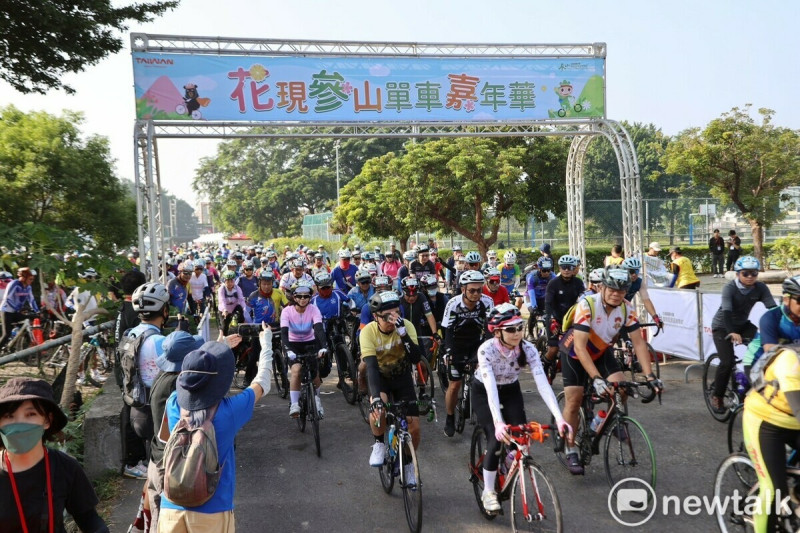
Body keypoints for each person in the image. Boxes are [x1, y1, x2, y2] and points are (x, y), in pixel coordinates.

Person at [158, 333, 271, 532]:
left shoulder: (174, 402)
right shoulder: (230, 411)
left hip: (171, 508)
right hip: (212, 510)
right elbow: (262, 382)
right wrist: (266, 343)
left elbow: (165, 439)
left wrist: (220, 346)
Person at [561, 267, 662, 474]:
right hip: (575, 353)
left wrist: (650, 376)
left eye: (622, 290)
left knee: (621, 388)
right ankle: (570, 448)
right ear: (603, 287)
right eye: (612, 289)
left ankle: (599, 422)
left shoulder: (626, 308)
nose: (616, 294)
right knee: (574, 401)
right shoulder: (587, 305)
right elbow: (580, 347)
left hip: (600, 350)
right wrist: (597, 378)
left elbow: (639, 343)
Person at [472, 304, 571, 512]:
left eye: (520, 327)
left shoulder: (528, 348)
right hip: (484, 391)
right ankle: (488, 491)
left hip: (510, 390)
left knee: (521, 437)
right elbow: (490, 389)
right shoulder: (486, 349)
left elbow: (543, 384)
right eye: (510, 329)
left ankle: (509, 461)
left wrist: (559, 418)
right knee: (495, 437)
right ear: (497, 331)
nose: (517, 333)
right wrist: (498, 423)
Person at [0, 378, 109, 532]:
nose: (19, 424)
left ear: (47, 420)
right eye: (9, 416)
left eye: (30, 414)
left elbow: (89, 519)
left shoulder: (65, 467)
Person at [146, 330, 205, 531]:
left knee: (158, 517)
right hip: (169, 466)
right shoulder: (178, 385)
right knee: (165, 523)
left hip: (156, 458)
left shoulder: (162, 377)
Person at [363, 291, 423, 483]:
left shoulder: (406, 326)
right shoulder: (368, 332)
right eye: (387, 316)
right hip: (380, 378)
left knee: (414, 427)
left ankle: (407, 464)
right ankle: (379, 443)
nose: (392, 319)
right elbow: (371, 367)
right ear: (375, 316)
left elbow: (415, 358)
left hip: (402, 376)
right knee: (378, 410)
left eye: (396, 314)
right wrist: (376, 398)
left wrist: (403, 334)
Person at [742, 342, 800, 533]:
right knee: (774, 490)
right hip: (765, 422)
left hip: (794, 423)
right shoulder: (791, 360)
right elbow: (797, 407)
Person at [709, 256, 777, 413]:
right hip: (722, 326)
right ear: (738, 274)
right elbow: (726, 312)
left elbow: (773, 310)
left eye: (754, 273)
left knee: (764, 351)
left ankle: (748, 387)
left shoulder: (760, 288)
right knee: (727, 362)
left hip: (743, 325)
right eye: (745, 273)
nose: (750, 277)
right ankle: (717, 396)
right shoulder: (730, 288)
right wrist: (732, 331)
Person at [442, 270, 495, 437]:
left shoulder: (487, 302)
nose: (476, 294)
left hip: (476, 344)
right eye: (472, 290)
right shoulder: (453, 304)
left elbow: (490, 330)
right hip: (456, 344)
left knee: (485, 381)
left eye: (480, 290)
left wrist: (487, 352)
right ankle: (450, 417)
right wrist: (449, 352)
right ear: (463, 289)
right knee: (455, 384)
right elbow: (448, 331)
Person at [280, 280, 327, 418]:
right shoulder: (286, 311)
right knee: (296, 370)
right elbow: (283, 333)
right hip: (293, 344)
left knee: (315, 374)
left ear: (310, 298)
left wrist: (324, 346)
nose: (302, 299)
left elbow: (318, 329)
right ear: (294, 297)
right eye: (299, 296)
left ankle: (317, 401)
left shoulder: (314, 309)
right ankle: (294, 404)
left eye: (306, 296)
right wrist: (287, 349)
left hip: (310, 342)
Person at [744, 276, 800, 376]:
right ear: (786, 300)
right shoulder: (770, 318)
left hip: (791, 365)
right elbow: (771, 352)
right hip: (759, 364)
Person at [542, 255, 585, 371]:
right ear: (560, 268)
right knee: (553, 349)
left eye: (569, 267)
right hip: (555, 319)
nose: (566, 270)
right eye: (563, 267)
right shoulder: (553, 283)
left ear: (574, 269)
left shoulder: (578, 283)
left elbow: (584, 300)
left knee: (577, 347)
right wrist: (551, 320)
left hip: (571, 320)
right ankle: (544, 368)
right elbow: (548, 304)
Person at [0, 267, 39, 351]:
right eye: (30, 279)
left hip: (15, 311)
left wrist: (37, 311)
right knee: (6, 334)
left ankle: (21, 348)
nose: (31, 281)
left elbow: (31, 299)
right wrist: (18, 308)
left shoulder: (28, 287)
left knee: (29, 320)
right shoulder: (14, 284)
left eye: (33, 279)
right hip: (6, 311)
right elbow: (8, 299)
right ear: (24, 277)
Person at [621, 257, 663, 330]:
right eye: (631, 271)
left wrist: (655, 317)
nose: (634, 274)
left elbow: (646, 300)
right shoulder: (619, 280)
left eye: (636, 271)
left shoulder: (639, 282)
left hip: (624, 308)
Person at [217, 270, 249, 336]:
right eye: (227, 281)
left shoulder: (237, 288)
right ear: (224, 281)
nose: (230, 283)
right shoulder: (221, 289)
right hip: (224, 309)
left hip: (234, 307)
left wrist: (244, 308)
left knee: (241, 311)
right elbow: (222, 300)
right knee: (224, 326)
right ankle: (223, 338)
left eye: (231, 281)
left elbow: (241, 299)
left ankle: (241, 333)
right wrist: (224, 310)